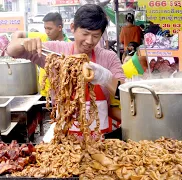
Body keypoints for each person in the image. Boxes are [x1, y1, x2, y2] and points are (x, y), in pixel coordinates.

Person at [6, 4, 125, 139]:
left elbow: (124, 94)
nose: (89, 41)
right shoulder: (55, 51)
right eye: (85, 34)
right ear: (73, 27)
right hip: (65, 138)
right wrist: (24, 43)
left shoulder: (109, 58)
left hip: (100, 138)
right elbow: (11, 51)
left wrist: (105, 77)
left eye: (96, 36)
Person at [11, 12, 71, 97]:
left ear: (59, 27)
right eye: (45, 28)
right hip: (43, 93)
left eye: (49, 29)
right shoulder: (40, 38)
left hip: (62, 95)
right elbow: (17, 34)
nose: (47, 32)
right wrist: (16, 41)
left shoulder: (69, 46)